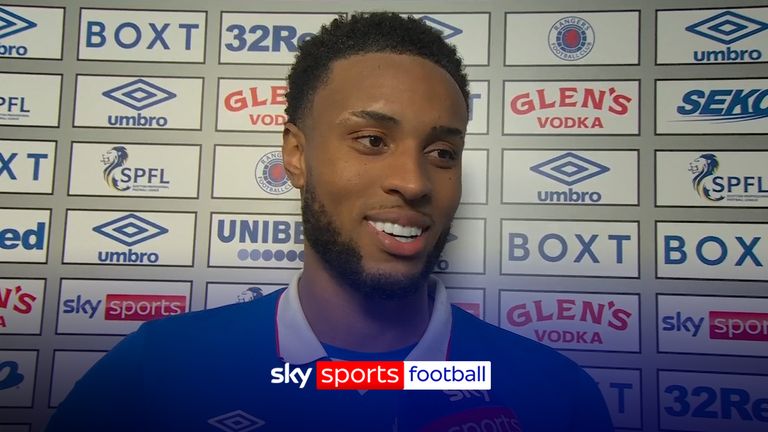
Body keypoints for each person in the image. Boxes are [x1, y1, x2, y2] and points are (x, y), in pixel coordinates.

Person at [46, 12, 613, 432]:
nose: (414, 182)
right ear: (295, 154)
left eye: (442, 152)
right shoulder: (155, 372)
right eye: (372, 140)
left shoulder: (557, 396)